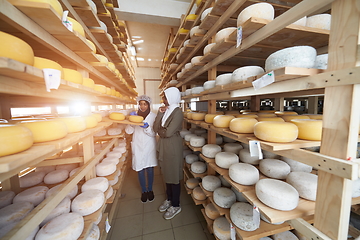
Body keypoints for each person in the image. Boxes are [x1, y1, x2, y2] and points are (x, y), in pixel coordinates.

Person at [153, 87, 183, 220]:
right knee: (167, 173)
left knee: (174, 176)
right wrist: (159, 113)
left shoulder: (177, 112)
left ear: (171, 97)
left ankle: (176, 205)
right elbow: (155, 128)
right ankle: (169, 199)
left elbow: (169, 132)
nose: (163, 100)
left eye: (165, 97)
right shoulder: (166, 111)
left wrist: (161, 131)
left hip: (172, 146)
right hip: (165, 145)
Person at [125, 95, 157, 203]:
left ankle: (150, 190)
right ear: (138, 105)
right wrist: (131, 121)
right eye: (141, 104)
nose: (142, 106)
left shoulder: (153, 116)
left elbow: (154, 133)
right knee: (140, 169)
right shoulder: (135, 116)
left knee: (150, 169)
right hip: (138, 146)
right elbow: (128, 131)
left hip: (149, 146)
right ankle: (144, 191)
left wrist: (147, 128)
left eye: (145, 104)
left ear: (148, 105)